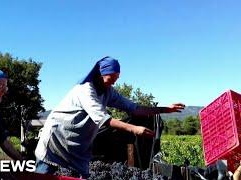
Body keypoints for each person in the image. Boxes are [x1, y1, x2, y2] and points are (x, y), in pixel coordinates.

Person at [34, 56, 185, 178]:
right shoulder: (85, 90)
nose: (114, 82)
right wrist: (134, 129)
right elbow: (103, 119)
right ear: (100, 75)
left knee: (81, 176)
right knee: (43, 175)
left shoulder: (108, 92)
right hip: (57, 140)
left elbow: (134, 108)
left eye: (116, 78)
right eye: (111, 78)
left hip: (77, 146)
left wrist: (166, 109)